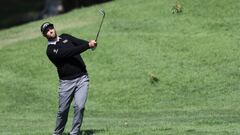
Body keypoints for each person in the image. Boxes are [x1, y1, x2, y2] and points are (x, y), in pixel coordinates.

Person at [40, 22, 97, 135]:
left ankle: (74, 133)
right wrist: (87, 46)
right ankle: (57, 133)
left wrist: (91, 44)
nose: (50, 30)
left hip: (82, 78)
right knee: (63, 111)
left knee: (79, 107)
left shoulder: (66, 37)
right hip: (66, 83)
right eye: (47, 30)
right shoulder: (51, 50)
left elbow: (80, 43)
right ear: (44, 35)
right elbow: (68, 53)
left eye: (51, 28)